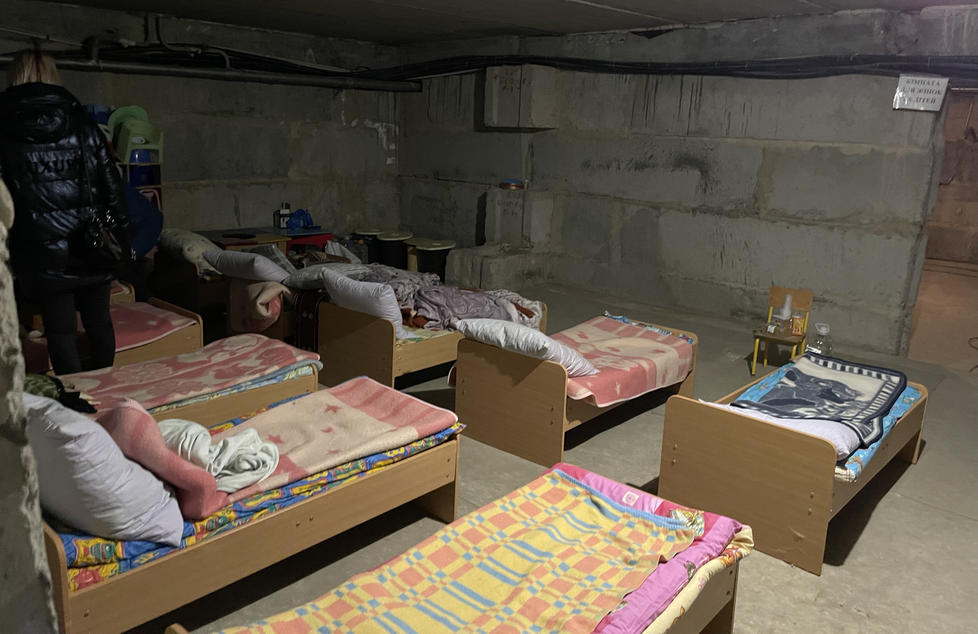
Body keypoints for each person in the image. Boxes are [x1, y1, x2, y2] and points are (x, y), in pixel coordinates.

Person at [0, 50, 131, 374]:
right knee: (99, 323)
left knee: (60, 332)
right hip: (91, 242)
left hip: (39, 250)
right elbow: (111, 186)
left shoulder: (3, 127)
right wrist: (120, 232)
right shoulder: (82, 121)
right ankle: (107, 387)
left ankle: (76, 398)